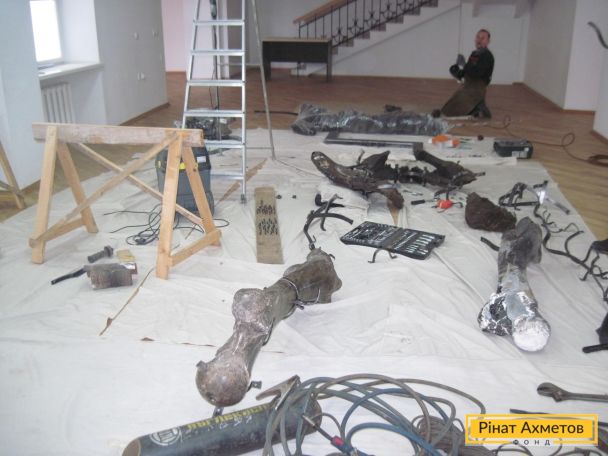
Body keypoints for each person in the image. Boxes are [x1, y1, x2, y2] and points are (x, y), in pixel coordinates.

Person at [440, 29, 494, 118]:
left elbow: (477, 73)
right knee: (449, 106)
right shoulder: (474, 54)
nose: (479, 40)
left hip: (476, 89)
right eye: (478, 37)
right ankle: (479, 107)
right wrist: (458, 72)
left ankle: (479, 108)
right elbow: (468, 71)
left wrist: (464, 65)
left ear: (488, 41)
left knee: (450, 112)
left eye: (482, 38)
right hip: (468, 86)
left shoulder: (487, 56)